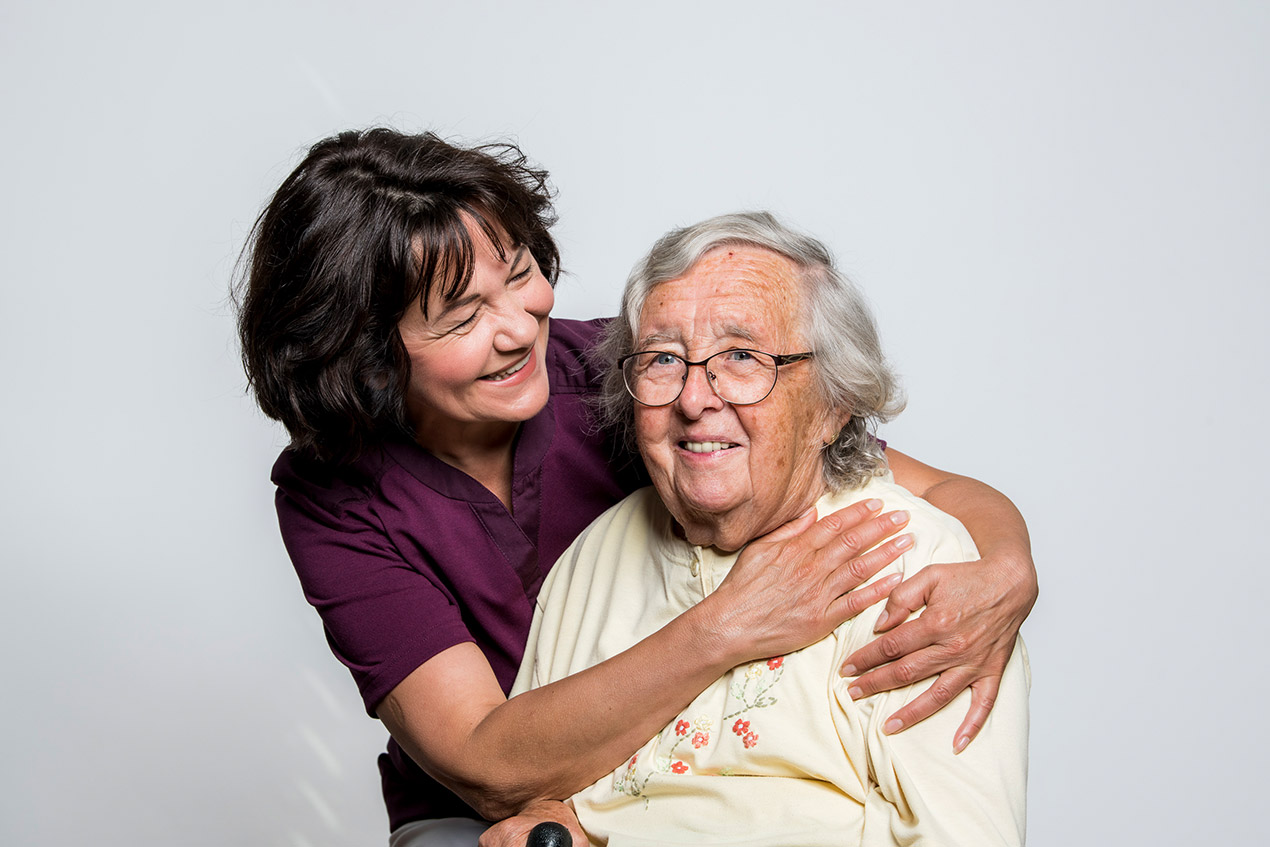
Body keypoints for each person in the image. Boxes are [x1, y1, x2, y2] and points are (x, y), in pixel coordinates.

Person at [234, 128, 1037, 846]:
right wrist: (729, 622)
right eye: (461, 316)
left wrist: (1006, 565)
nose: (517, 326)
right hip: (487, 809)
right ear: (368, 353)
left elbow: (904, 480)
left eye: (520, 275)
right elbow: (485, 761)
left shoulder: (633, 374)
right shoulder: (335, 496)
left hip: (638, 783)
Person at [505, 212, 1029, 847]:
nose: (695, 399)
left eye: (743, 357)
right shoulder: (596, 555)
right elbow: (530, 797)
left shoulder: (920, 569)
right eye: (664, 359)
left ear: (834, 405)